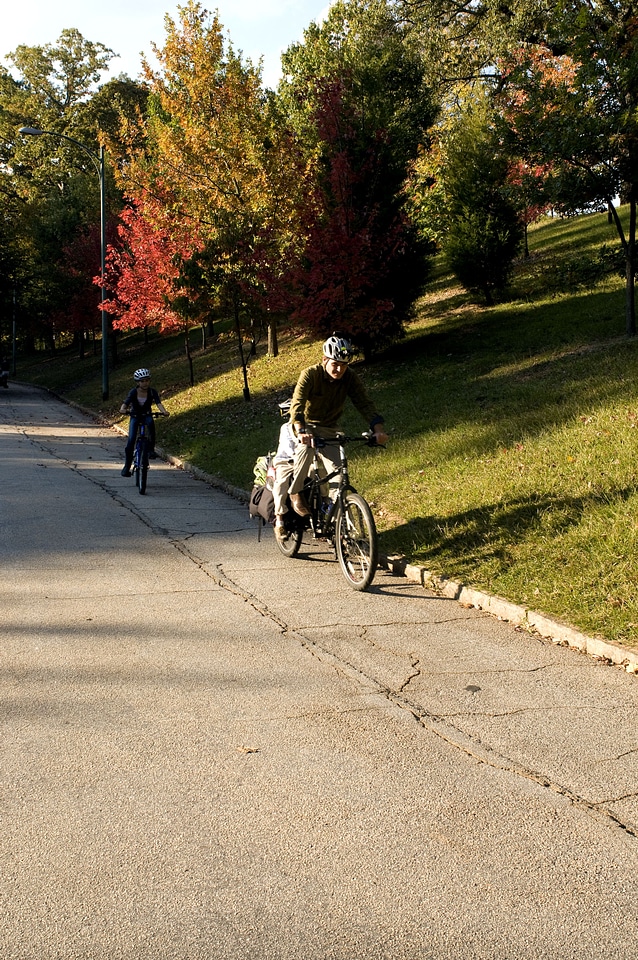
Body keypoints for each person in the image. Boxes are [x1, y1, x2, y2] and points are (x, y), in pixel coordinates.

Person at [286, 334, 388, 517]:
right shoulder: (310, 374)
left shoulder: (349, 377)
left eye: (344, 365)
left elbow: (364, 403)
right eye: (335, 364)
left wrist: (378, 430)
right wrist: (301, 430)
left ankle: (335, 519)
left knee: (339, 474)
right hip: (305, 425)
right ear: (325, 360)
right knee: (306, 448)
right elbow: (297, 404)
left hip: (330, 428)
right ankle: (296, 491)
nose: (339, 369)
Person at [119, 368, 170, 476]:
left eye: (147, 380)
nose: (145, 383)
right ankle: (126, 467)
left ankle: (151, 450)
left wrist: (164, 411)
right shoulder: (133, 392)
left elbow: (158, 403)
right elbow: (126, 402)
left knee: (151, 424)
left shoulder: (152, 392)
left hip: (147, 414)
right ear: (137, 382)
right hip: (135, 416)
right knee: (131, 439)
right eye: (142, 381)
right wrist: (123, 409)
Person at [272, 410, 297, 541]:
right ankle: (279, 521)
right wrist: (296, 456)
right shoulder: (286, 428)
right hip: (286, 461)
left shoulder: (311, 427)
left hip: (305, 461)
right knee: (281, 483)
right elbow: (288, 448)